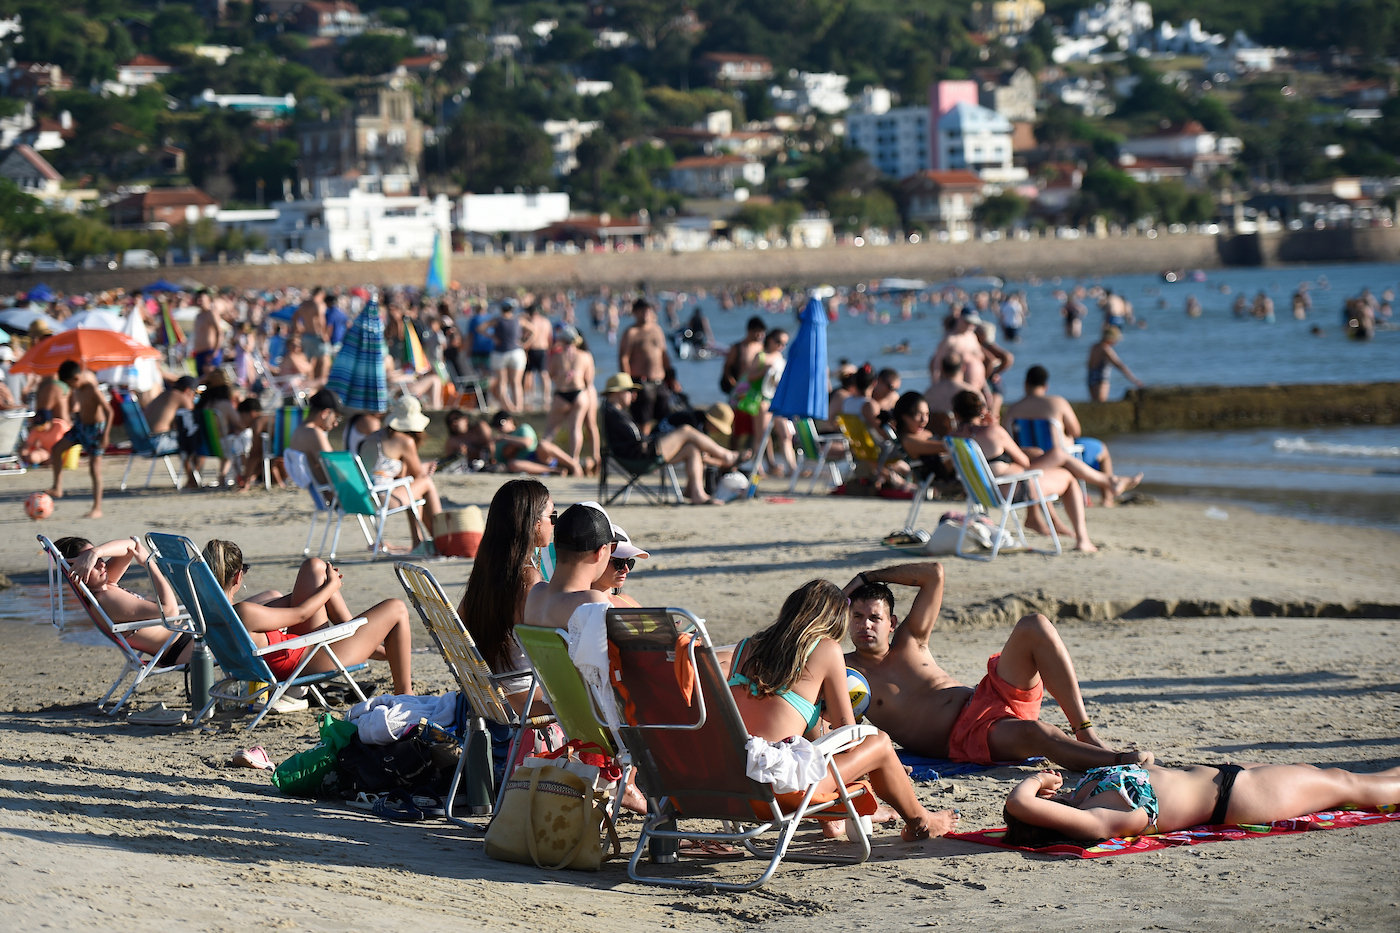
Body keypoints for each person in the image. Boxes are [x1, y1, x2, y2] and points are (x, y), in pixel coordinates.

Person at [843, 561, 1151, 771]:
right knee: (1037, 733)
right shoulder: (846, 670)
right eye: (857, 617)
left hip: (987, 697)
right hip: (967, 736)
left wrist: (868, 577)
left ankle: (1085, 732)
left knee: (1035, 625)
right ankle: (1116, 760)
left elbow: (934, 573)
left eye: (874, 618)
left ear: (891, 623)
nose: (865, 626)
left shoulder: (911, 640)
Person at [729, 579, 960, 842]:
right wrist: (880, 767)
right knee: (879, 743)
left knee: (806, 743)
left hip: (728, 781)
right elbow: (849, 737)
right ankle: (922, 823)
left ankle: (836, 818)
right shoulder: (826, 649)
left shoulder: (746, 646)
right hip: (775, 791)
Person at [1003, 762, 1400, 846]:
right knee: (1348, 784)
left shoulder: (1084, 799)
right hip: (1241, 795)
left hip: (1231, 778)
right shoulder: (1098, 821)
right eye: (1044, 801)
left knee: (1341, 779)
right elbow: (1017, 803)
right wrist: (1037, 778)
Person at [201, 539, 413, 696]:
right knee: (397, 608)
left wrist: (320, 588)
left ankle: (375, 646)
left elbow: (293, 607)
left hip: (294, 655)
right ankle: (405, 695)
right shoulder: (245, 613)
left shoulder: (214, 614)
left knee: (313, 567)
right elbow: (301, 613)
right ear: (238, 576)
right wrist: (331, 586)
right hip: (307, 661)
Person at [951, 390, 1104, 552]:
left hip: (980, 494)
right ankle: (1083, 540)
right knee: (1068, 478)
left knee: (1041, 455)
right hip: (1011, 491)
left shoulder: (952, 438)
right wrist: (993, 426)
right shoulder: (994, 432)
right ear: (983, 410)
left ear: (956, 413)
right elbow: (1024, 461)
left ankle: (1037, 519)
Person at [457, 479, 555, 714]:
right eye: (553, 516)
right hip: (526, 699)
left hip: (489, 695)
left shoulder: (487, 573)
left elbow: (461, 626)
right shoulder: (528, 580)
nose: (555, 524)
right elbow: (547, 656)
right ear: (535, 524)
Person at [1003, 365, 1140, 506]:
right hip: (1060, 457)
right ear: (1046, 385)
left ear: (1025, 384)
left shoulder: (1012, 410)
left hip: (1032, 460)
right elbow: (1076, 431)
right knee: (1102, 449)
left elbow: (1009, 440)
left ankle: (1109, 488)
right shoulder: (1057, 403)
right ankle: (1107, 499)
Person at [601, 373, 740, 505]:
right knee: (686, 430)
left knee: (691, 449)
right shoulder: (615, 414)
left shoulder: (614, 412)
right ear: (617, 392)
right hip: (639, 457)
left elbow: (633, 440)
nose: (634, 395)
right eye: (630, 391)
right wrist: (656, 438)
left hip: (639, 454)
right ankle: (726, 455)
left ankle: (697, 494)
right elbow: (637, 443)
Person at [54, 535, 192, 664]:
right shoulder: (106, 599)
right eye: (92, 564)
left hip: (187, 637)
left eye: (99, 559)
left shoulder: (104, 586)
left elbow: (132, 547)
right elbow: (171, 612)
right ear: (74, 573)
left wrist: (96, 552)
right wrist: (149, 564)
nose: (101, 564)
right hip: (182, 647)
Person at [357, 396, 443, 553]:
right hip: (382, 498)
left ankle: (423, 542)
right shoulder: (405, 441)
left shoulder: (373, 436)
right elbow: (417, 475)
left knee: (413, 491)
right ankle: (440, 536)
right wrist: (425, 467)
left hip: (363, 498)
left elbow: (396, 475)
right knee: (426, 482)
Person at [47, 360, 112, 518]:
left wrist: (105, 434)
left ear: (76, 378)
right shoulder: (77, 389)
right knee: (56, 449)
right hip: (80, 426)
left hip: (96, 429)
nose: (69, 388)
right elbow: (79, 406)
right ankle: (57, 487)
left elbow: (109, 412)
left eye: (69, 384)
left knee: (94, 469)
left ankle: (97, 508)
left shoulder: (91, 388)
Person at [617, 298, 679, 433]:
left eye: (648, 310)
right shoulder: (631, 333)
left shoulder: (657, 330)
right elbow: (623, 359)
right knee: (643, 422)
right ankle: (643, 450)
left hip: (660, 382)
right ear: (635, 313)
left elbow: (664, 356)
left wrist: (672, 379)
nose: (645, 313)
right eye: (642, 310)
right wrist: (629, 386)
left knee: (665, 420)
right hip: (641, 383)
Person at [544, 324, 597, 472]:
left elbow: (551, 375)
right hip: (579, 393)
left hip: (562, 393)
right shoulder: (585, 356)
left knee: (550, 429)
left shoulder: (556, 356)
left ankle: (544, 455)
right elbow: (589, 380)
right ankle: (574, 459)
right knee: (576, 427)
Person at [488, 410, 583, 476]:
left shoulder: (522, 428)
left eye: (501, 423)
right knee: (513, 464)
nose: (499, 428)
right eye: (496, 426)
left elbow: (527, 443)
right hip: (524, 464)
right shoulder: (498, 443)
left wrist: (506, 438)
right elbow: (500, 462)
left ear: (510, 420)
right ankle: (554, 471)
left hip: (538, 456)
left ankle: (573, 464)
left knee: (543, 444)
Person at [482, 299, 531, 413]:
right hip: (517, 352)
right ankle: (518, 408)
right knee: (516, 382)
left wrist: (492, 337)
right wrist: (525, 344)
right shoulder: (519, 320)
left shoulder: (497, 320)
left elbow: (480, 328)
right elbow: (534, 330)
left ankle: (508, 407)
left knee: (502, 382)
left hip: (500, 353)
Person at [288, 388, 342, 485]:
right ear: (326, 413)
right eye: (336, 417)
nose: (336, 424)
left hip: (321, 492)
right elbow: (334, 467)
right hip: (334, 494)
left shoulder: (298, 431)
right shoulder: (314, 433)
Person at [592, 523, 647, 608]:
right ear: (597, 558)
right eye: (618, 562)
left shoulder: (624, 598)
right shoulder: (587, 605)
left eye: (629, 562)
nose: (626, 569)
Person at [22, 371, 71, 465]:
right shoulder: (64, 385)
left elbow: (44, 410)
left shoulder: (47, 387)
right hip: (58, 427)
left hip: (55, 428)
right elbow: (75, 407)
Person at [1086, 325, 1144, 402]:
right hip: (1101, 378)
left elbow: (1089, 364)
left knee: (1094, 403)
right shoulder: (1106, 350)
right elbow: (1119, 365)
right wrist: (1134, 379)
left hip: (1091, 376)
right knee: (1101, 403)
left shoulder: (1094, 347)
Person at [522, 303, 553, 407]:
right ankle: (546, 397)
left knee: (529, 374)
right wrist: (550, 349)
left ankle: (530, 396)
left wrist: (524, 346)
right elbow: (550, 337)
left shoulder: (530, 322)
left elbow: (526, 336)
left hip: (532, 349)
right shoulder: (546, 321)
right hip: (544, 348)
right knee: (544, 374)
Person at [191, 289, 226, 375]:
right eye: (197, 299)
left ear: (208, 299)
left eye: (201, 299)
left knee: (211, 379)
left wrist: (215, 352)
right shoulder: (199, 315)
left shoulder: (211, 313)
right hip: (200, 353)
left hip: (209, 353)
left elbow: (219, 332)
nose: (199, 301)